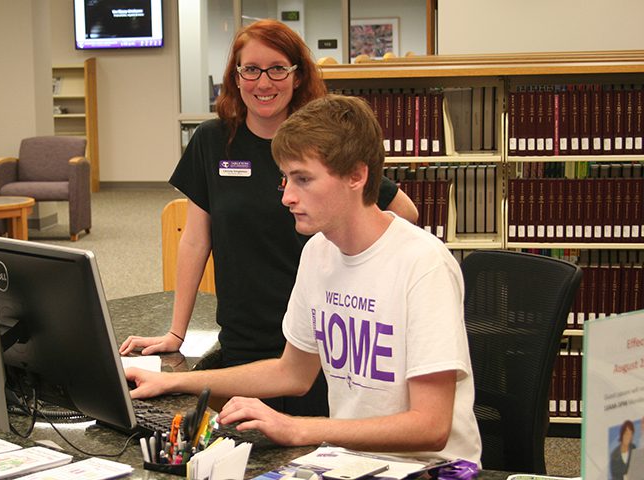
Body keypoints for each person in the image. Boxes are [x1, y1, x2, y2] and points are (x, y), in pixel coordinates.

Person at [125, 94, 481, 464]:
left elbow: (431, 426)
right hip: (353, 463)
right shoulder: (318, 252)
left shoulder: (423, 265)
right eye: (286, 179)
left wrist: (299, 428)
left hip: (430, 470)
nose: (287, 197)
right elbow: (291, 372)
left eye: (303, 180)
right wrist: (174, 382)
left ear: (357, 176)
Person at [119, 20, 418, 416]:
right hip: (245, 337)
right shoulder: (212, 142)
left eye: (278, 69)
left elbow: (404, 213)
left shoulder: (322, 144)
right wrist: (177, 331)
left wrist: (365, 293)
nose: (264, 82)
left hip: (320, 342)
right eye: (251, 69)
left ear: (297, 77)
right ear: (236, 77)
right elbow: (194, 240)